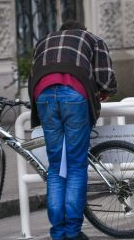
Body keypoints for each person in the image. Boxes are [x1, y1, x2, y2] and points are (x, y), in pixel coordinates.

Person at [28, 20, 116, 240]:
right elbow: (105, 80)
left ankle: (58, 234)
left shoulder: (44, 41)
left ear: (61, 33)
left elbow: (33, 75)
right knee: (76, 166)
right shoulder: (92, 39)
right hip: (74, 94)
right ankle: (73, 233)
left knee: (56, 167)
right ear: (82, 31)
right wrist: (104, 92)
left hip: (43, 94)